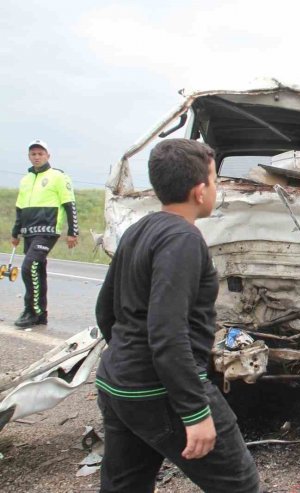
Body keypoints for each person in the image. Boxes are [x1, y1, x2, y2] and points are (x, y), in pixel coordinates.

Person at [95, 139, 260, 492]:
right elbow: (167, 333)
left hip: (117, 383)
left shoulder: (139, 229)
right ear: (200, 191)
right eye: (215, 182)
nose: (216, 189)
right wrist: (195, 412)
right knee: (240, 485)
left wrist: (127, 359)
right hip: (161, 390)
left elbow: (105, 310)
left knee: (125, 485)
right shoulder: (183, 239)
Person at [11, 139, 78, 328]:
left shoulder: (58, 176)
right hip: (29, 231)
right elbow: (19, 208)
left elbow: (69, 204)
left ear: (48, 156)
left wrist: (73, 232)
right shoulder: (26, 180)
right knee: (37, 271)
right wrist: (15, 233)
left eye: (40, 153)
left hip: (48, 231)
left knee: (28, 267)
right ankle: (40, 314)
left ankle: (30, 311)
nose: (37, 157)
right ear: (29, 156)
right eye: (33, 154)